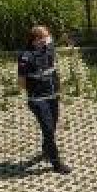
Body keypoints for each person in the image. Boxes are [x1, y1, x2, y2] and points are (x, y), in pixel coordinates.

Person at [17, 25, 70, 174]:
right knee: (47, 129)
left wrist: (65, 36)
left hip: (53, 96)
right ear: (36, 40)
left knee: (51, 127)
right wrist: (35, 88)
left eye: (48, 36)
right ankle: (56, 163)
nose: (48, 39)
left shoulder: (48, 47)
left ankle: (46, 149)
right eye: (45, 37)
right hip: (38, 99)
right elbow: (21, 82)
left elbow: (58, 38)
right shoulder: (26, 57)